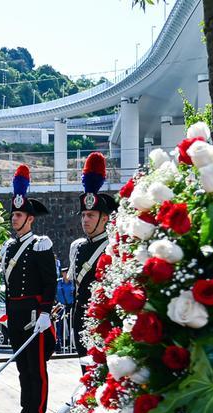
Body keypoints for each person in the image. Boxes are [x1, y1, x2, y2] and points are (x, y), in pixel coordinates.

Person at [0, 165, 57, 413]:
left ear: (30, 219)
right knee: (23, 368)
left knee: (37, 368)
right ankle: (25, 410)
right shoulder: (9, 247)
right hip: (15, 313)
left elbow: (49, 282)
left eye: (19, 215)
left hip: (35, 315)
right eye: (13, 214)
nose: (14, 219)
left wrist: (45, 312)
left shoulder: (40, 244)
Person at [67, 152, 117, 371]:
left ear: (104, 218)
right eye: (83, 215)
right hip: (79, 318)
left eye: (91, 216)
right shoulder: (77, 247)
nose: (85, 220)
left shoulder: (112, 247)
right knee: (84, 372)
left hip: (101, 321)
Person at [55, 266, 74, 351]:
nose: (66, 274)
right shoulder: (58, 283)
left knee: (70, 325)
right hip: (60, 306)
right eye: (64, 272)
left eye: (67, 272)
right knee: (59, 325)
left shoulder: (72, 283)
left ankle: (71, 344)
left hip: (70, 306)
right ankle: (59, 343)